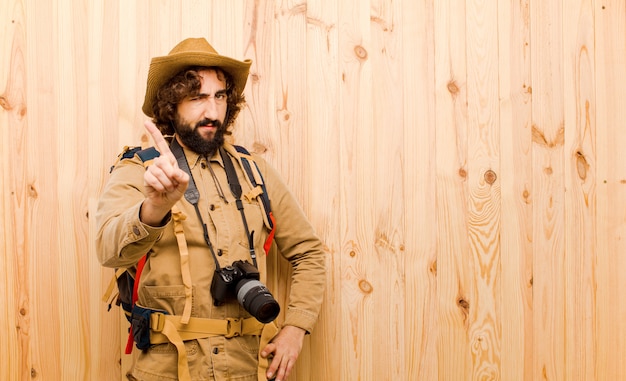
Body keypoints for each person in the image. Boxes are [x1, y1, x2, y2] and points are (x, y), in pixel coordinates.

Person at [96, 37, 326, 381]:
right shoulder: (140, 170)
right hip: (167, 370)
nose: (213, 111)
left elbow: (309, 252)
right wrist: (154, 207)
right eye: (198, 97)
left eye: (220, 96)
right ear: (171, 106)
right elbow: (108, 249)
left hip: (251, 367)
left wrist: (296, 328)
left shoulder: (256, 171)